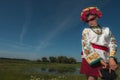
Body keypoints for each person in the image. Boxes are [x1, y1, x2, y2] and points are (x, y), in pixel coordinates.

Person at [80, 7, 118, 80]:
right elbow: (86, 45)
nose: (90, 22)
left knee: (110, 77)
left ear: (97, 17)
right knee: (92, 78)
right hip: (91, 56)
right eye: (87, 21)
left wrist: (111, 58)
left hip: (107, 56)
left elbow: (113, 43)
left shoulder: (107, 30)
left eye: (92, 19)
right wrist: (99, 59)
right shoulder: (86, 31)